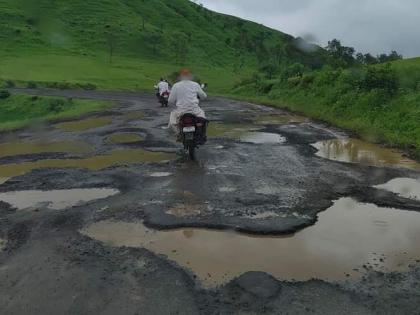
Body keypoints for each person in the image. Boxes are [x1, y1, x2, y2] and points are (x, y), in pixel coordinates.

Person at [168, 69, 207, 135]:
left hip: (181, 111)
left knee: (172, 122)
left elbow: (170, 100)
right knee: (203, 120)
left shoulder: (176, 85)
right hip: (195, 110)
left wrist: (174, 102)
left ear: (181, 76)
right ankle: (202, 134)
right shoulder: (195, 84)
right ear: (189, 76)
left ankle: (178, 134)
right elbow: (204, 96)